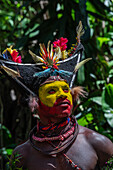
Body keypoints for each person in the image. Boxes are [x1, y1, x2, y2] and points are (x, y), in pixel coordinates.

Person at [0, 22, 113, 170]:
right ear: (35, 102)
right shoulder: (23, 155)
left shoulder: (98, 144)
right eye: (51, 91)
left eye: (65, 90)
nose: (62, 95)